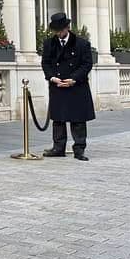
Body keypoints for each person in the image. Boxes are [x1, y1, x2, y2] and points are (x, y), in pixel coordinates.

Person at [41, 12, 95, 160]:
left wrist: (74, 79)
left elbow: (87, 64)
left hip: (76, 86)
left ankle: (79, 149)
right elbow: (45, 63)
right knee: (58, 119)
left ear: (67, 28)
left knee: (78, 120)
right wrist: (52, 78)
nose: (58, 33)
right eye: (56, 31)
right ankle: (58, 148)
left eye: (61, 30)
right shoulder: (49, 43)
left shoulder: (82, 43)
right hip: (57, 85)